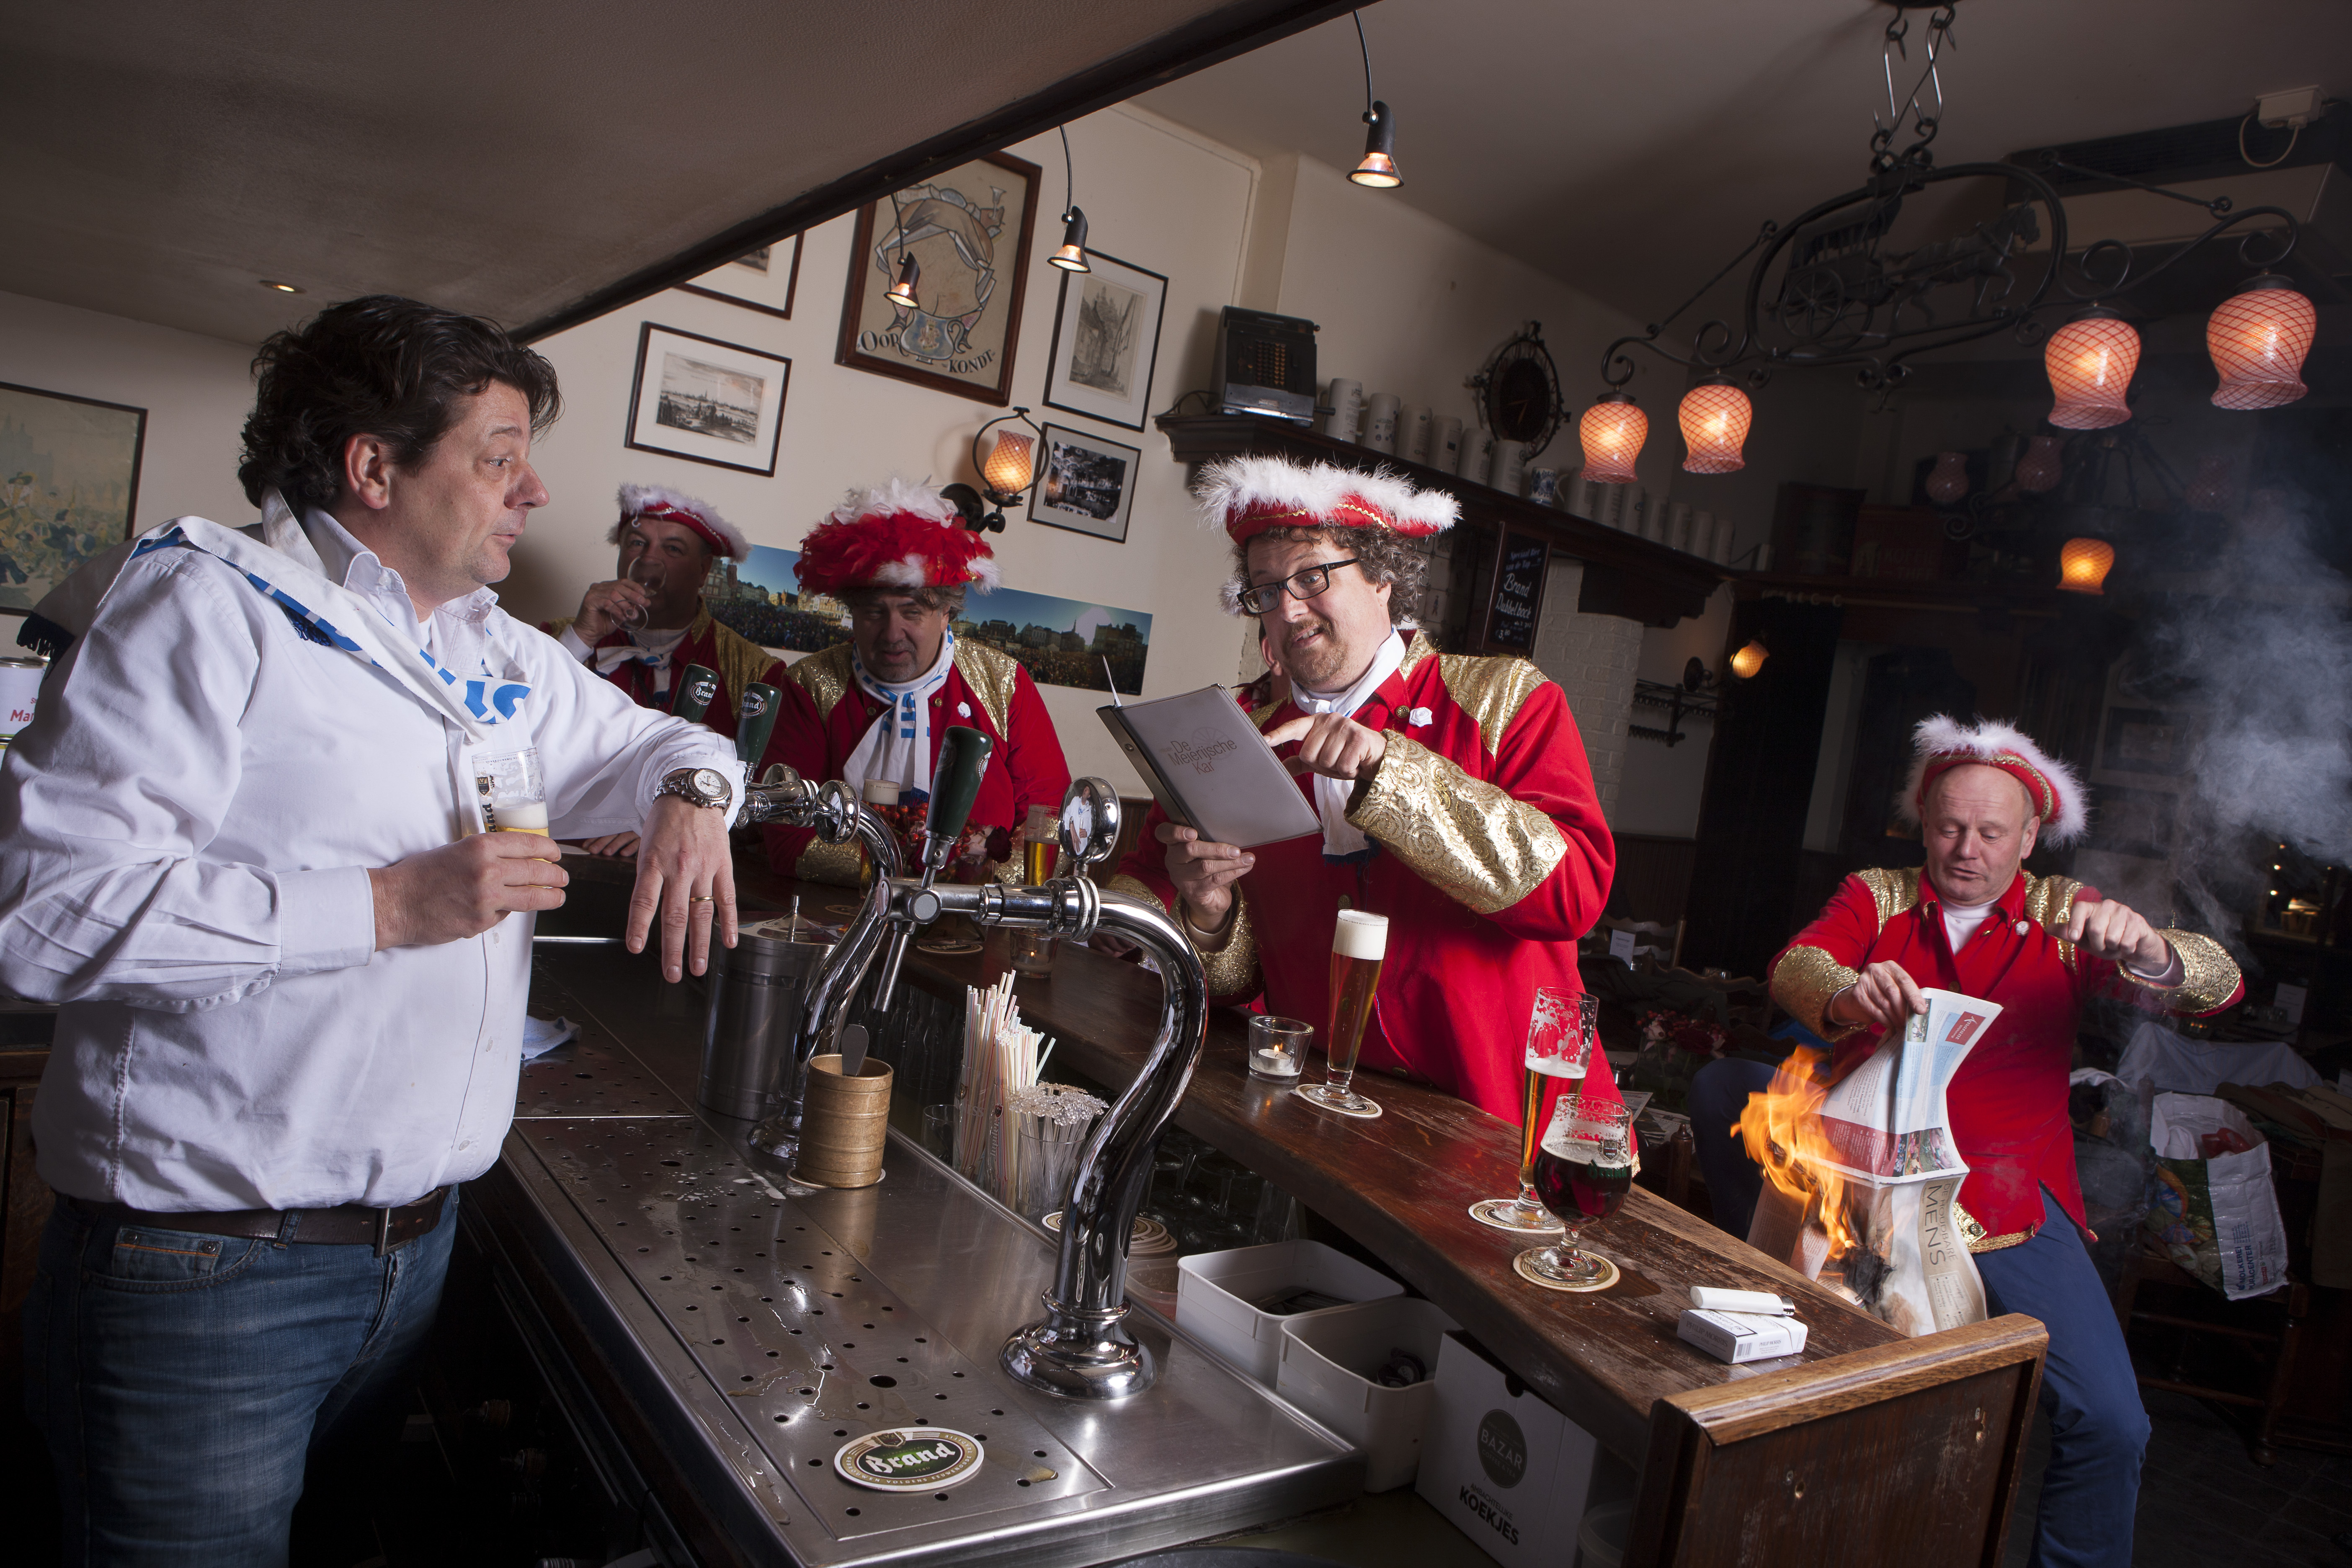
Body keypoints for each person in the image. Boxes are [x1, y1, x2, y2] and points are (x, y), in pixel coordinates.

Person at [1, 295, 745, 1565]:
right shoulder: (200, 603)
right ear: (373, 466)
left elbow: (665, 742)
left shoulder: (488, 648)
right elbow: (46, 917)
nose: (533, 489)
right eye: (499, 455)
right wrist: (388, 907)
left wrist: (690, 797)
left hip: (412, 1263)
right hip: (204, 1278)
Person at [1694, 715, 2241, 1568]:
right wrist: (1848, 993)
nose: (1966, 849)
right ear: (1924, 823)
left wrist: (2155, 953)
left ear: (2030, 838)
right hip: (1863, 1202)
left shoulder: (2063, 913)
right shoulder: (1877, 896)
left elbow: (2218, 985)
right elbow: (1799, 967)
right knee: (1830, 1410)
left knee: (2109, 1421)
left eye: (1992, 832)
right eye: (1949, 827)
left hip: (2009, 1205)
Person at [1113, 456, 1620, 1124]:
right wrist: (1208, 909)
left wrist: (1393, 771)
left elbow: (1575, 896)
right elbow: (1234, 986)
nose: (1289, 608)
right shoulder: (1229, 738)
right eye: (1266, 590)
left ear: (1384, 576)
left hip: (1508, 1128)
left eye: (1313, 576)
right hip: (1324, 1121)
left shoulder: (1505, 701)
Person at [764, 480, 1070, 883]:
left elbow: (1053, 827)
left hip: (979, 923)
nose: (892, 633)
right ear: (851, 613)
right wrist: (909, 862)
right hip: (842, 920)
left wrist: (978, 873)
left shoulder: (1005, 682)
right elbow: (785, 837)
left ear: (947, 613)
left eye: (912, 613)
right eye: (874, 612)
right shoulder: (809, 683)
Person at [552, 484, 790, 855]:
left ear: (703, 570)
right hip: (559, 857)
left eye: (673, 549)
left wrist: (663, 820)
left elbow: (767, 802)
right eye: (636, 544)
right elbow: (509, 733)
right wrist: (580, 638)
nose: (650, 561)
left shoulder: (756, 671)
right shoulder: (555, 640)